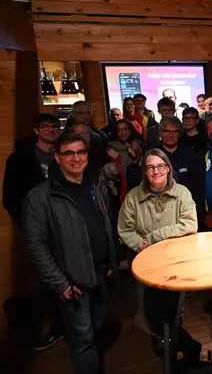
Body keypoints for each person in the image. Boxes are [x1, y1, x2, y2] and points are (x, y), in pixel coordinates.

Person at [23, 133, 116, 374]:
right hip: (73, 284)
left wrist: (110, 263)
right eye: (68, 153)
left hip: (100, 275)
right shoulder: (40, 197)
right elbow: (36, 245)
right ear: (57, 157)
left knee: (97, 329)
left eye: (81, 152)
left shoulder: (96, 185)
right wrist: (60, 283)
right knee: (82, 340)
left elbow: (106, 224)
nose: (76, 158)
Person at [117, 149, 201, 368]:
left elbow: (190, 224)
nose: (156, 171)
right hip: (145, 262)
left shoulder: (181, 193)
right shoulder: (133, 197)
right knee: (151, 312)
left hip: (175, 261)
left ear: (168, 168)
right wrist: (141, 245)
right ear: (145, 172)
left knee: (174, 309)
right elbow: (125, 230)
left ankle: (176, 350)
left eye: (161, 166)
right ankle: (183, 345)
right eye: (151, 167)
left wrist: (154, 236)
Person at [3, 113, 63, 351]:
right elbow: (11, 197)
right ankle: (56, 326)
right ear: (36, 130)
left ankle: (72, 323)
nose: (51, 130)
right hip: (39, 230)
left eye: (54, 126)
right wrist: (29, 226)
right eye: (45, 126)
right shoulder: (20, 159)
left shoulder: (66, 153)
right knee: (49, 278)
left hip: (67, 226)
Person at [157, 117, 194, 188]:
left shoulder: (189, 153)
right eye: (167, 131)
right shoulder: (154, 154)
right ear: (160, 133)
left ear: (179, 133)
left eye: (174, 132)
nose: (171, 135)